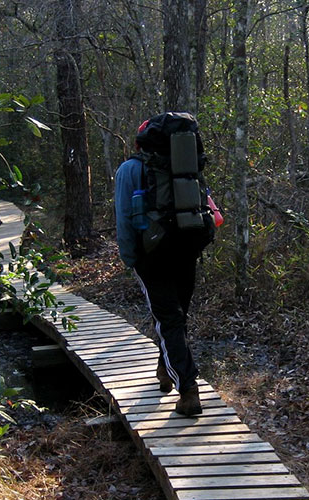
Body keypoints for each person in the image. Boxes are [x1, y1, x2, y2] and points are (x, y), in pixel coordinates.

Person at [114, 118, 203, 416]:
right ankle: (166, 371)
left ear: (139, 143)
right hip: (186, 247)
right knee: (176, 315)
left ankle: (188, 390)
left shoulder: (129, 169)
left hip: (151, 254)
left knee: (168, 320)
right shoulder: (185, 166)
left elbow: (124, 218)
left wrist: (130, 258)